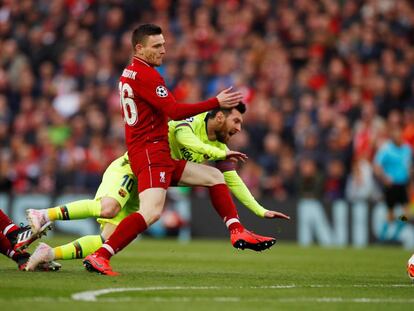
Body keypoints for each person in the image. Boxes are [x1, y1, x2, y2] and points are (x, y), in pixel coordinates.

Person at [25, 104, 290, 271]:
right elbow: (186, 141)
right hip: (131, 167)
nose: (239, 129)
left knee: (108, 238)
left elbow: (230, 179)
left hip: (154, 178)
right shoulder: (191, 122)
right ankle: (44, 214)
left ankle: (49, 252)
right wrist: (215, 152)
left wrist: (259, 210)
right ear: (219, 117)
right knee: (109, 207)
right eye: (236, 122)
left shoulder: (219, 147)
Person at [374, 126, 412, 242]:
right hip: (391, 186)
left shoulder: (407, 149)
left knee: (406, 215)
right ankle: (382, 238)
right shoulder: (386, 149)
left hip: (403, 185)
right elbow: (376, 166)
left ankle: (395, 235)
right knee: (390, 214)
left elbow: (409, 165)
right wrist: (384, 178)